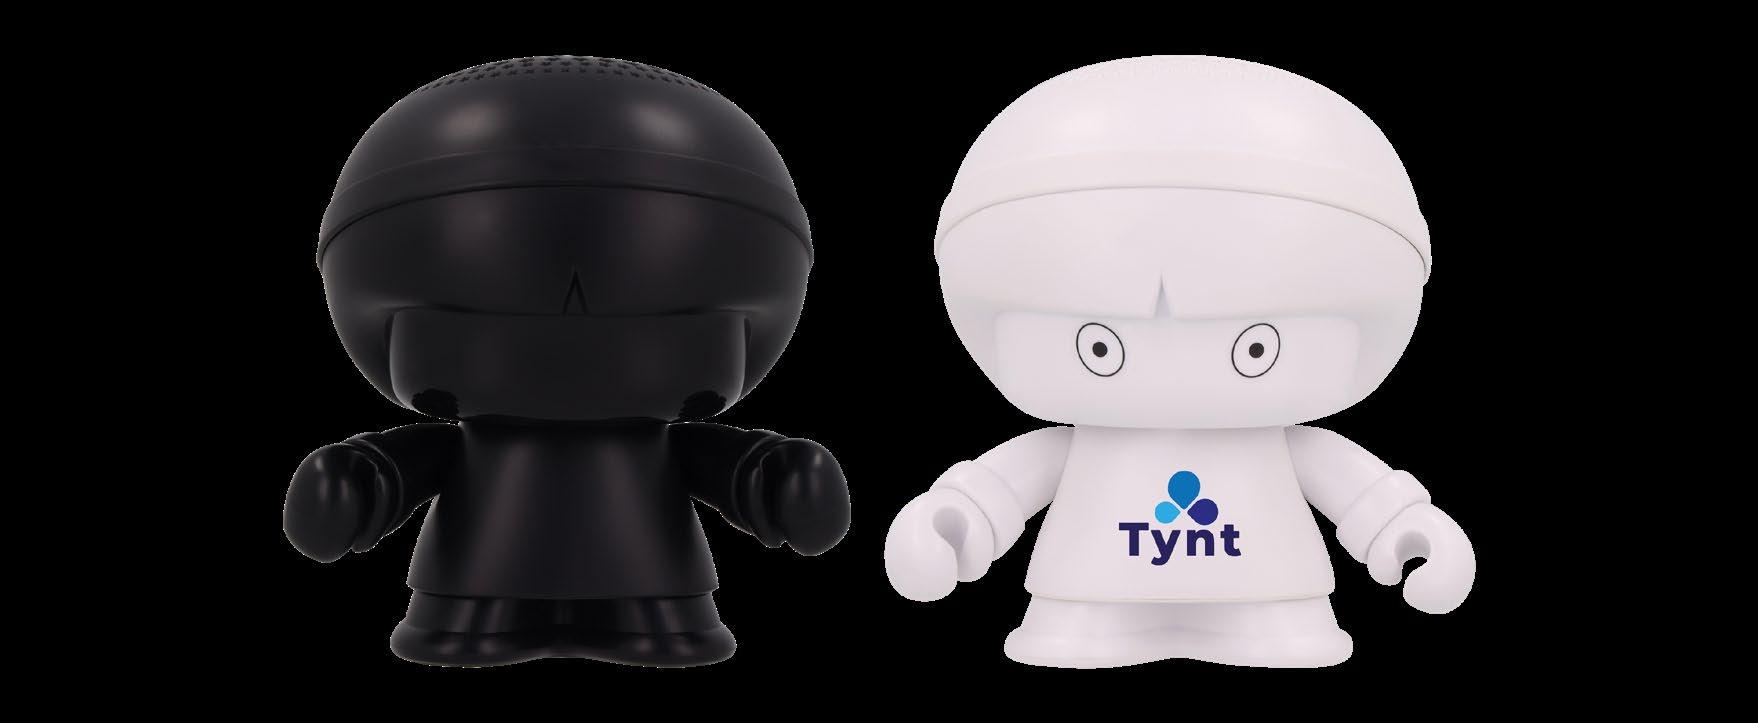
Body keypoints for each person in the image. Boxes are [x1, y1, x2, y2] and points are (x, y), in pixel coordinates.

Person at [884, 55, 1474, 668]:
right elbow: (1002, 487)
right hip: (1087, 597)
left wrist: (1401, 523)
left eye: (1255, 348)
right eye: (1099, 347)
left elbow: (1356, 489)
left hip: (1272, 600)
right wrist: (959, 514)